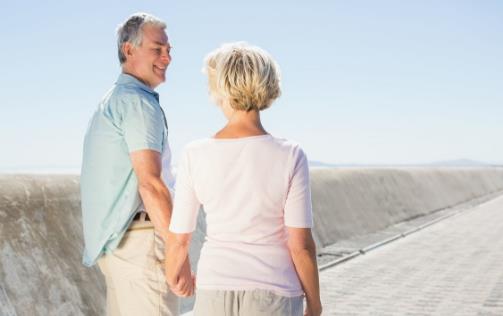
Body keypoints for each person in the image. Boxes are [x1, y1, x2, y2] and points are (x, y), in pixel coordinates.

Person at [165, 42, 322, 316]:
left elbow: (179, 238)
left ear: (219, 88)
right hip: (274, 294)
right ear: (269, 84)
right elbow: (301, 246)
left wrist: (176, 272)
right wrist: (315, 304)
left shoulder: (194, 154)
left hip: (215, 287)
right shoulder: (291, 155)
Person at [80, 12, 193, 316]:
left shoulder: (112, 100)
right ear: (129, 50)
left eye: (169, 50)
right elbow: (151, 183)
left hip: (118, 247)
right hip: (140, 247)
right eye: (158, 49)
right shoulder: (138, 103)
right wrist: (176, 250)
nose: (167, 57)